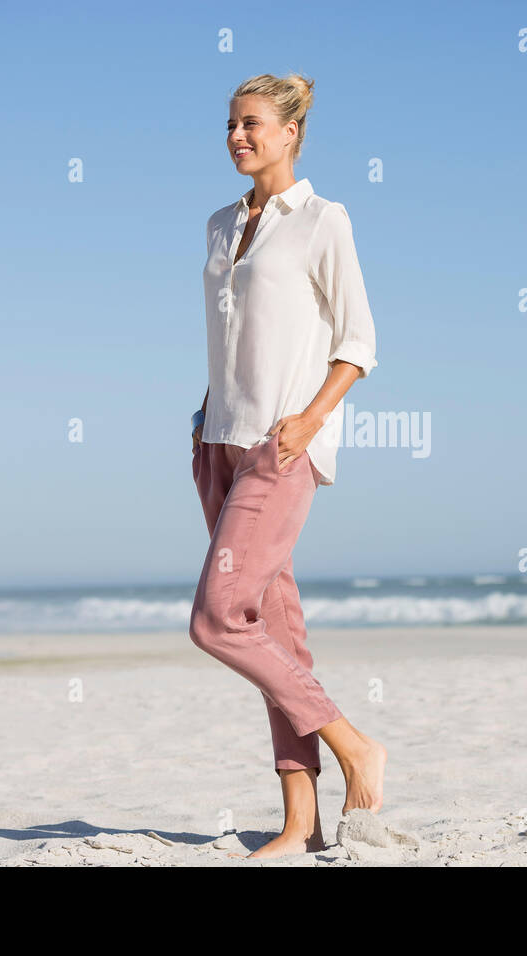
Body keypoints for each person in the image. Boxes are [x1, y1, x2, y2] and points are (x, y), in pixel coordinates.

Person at [188, 72, 386, 859]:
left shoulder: (324, 221)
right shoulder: (217, 224)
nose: (238, 136)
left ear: (291, 132)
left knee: (215, 619)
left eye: (253, 125)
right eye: (231, 124)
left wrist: (307, 420)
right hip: (218, 445)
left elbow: (359, 342)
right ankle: (299, 822)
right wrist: (204, 421)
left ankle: (355, 745)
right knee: (274, 632)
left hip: (281, 448)